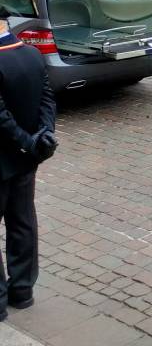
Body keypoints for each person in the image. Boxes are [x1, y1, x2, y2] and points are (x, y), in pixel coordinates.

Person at [0, 16, 57, 319]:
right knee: (23, 222)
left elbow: (0, 117)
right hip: (26, 158)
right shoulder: (32, 54)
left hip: (7, 155)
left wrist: (25, 140)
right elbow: (47, 98)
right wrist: (43, 135)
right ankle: (22, 291)